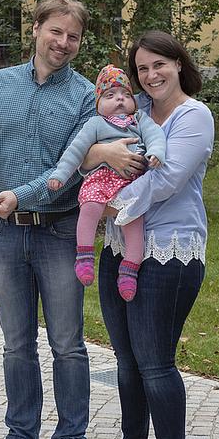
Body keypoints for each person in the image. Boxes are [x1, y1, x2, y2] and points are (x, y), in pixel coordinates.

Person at [0, 0, 95, 439]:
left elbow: (74, 168)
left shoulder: (86, 97)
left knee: (68, 346)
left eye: (72, 36)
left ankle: (71, 434)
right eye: (55, 31)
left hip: (59, 231)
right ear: (35, 29)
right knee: (17, 345)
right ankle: (21, 432)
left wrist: (20, 195)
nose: (63, 42)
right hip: (5, 234)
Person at [82, 31, 214, 439]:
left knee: (155, 363)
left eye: (160, 64)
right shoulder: (134, 109)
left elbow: (168, 179)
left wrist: (107, 206)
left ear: (178, 64)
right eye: (143, 68)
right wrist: (102, 155)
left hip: (169, 253)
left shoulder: (194, 116)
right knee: (126, 360)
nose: (152, 74)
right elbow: (83, 151)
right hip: (119, 249)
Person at [48, 64, 166, 301]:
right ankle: (84, 256)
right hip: (101, 178)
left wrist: (155, 153)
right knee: (90, 208)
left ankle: (129, 271)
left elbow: (155, 135)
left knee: (134, 224)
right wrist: (60, 175)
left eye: (125, 94)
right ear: (98, 103)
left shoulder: (139, 119)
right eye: (110, 95)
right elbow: (76, 151)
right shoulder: (95, 124)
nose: (119, 99)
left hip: (132, 182)